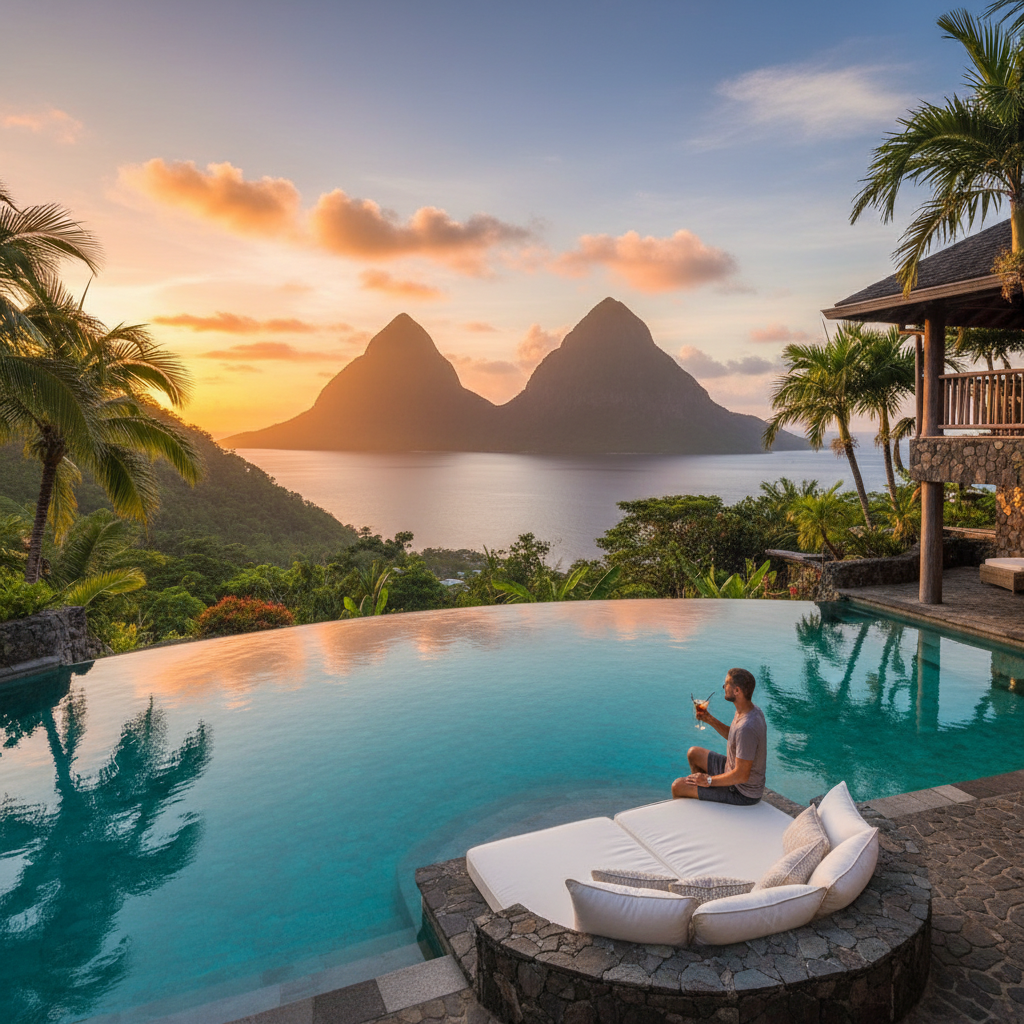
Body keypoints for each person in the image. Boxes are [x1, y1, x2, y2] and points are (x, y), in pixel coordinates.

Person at [671, 667, 766, 805]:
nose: (723, 686)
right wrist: (709, 719)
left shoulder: (747, 727)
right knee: (694, 753)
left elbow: (742, 775)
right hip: (730, 769)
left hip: (742, 792)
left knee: (678, 786)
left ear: (737, 691)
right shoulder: (748, 710)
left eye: (727, 683)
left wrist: (708, 781)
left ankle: (698, 798)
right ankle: (702, 799)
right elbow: (735, 738)